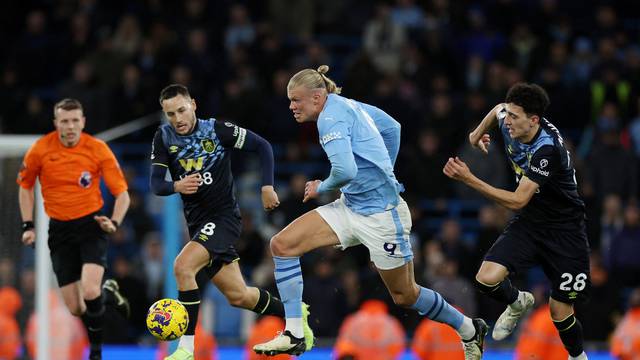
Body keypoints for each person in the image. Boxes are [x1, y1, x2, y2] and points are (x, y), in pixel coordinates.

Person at [253, 65, 488, 359]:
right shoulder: (348, 104)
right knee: (282, 245)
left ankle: (469, 328)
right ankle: (294, 333)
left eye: (296, 100)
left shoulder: (330, 119)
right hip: (351, 206)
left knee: (405, 295)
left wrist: (320, 186)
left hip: (382, 216)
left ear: (316, 97)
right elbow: (392, 128)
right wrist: (382, 169)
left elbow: (345, 170)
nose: (291, 106)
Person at [149, 84, 313, 360]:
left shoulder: (216, 130)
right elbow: (156, 184)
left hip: (223, 219)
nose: (177, 118)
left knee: (182, 266)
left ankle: (185, 349)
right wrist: (178, 185)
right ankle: (297, 315)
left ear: (194, 105)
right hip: (199, 225)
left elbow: (263, 146)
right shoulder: (163, 137)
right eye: (170, 114)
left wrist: (266, 186)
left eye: (181, 110)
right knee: (239, 296)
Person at [443, 83, 591, 360]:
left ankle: (578, 357)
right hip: (531, 223)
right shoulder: (509, 119)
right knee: (485, 279)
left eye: (514, 117)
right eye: (508, 115)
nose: (507, 121)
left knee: (559, 312)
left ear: (533, 120)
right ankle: (517, 301)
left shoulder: (547, 150)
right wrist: (477, 135)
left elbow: (517, 200)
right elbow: (497, 109)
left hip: (565, 230)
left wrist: (468, 178)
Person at [17, 98, 131, 360]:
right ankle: (109, 293)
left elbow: (122, 194)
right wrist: (28, 226)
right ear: (56, 123)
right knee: (76, 307)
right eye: (64, 121)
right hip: (59, 230)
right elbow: (25, 187)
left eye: (74, 121)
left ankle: (96, 353)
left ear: (83, 122)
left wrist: (113, 223)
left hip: (92, 225)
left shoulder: (97, 149)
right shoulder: (40, 149)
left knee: (90, 290)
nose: (70, 126)